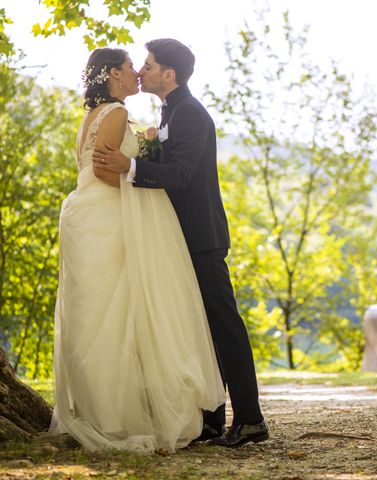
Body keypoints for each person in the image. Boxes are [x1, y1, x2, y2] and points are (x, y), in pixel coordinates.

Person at [93, 39, 268, 448]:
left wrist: (131, 166)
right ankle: (209, 420)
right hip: (175, 239)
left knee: (224, 327)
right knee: (197, 330)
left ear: (167, 75)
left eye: (149, 65)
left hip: (201, 238)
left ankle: (251, 420)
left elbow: (184, 174)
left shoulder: (189, 113)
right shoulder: (168, 111)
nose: (142, 70)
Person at [50, 47, 226, 453]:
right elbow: (102, 172)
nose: (137, 73)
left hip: (93, 218)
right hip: (110, 221)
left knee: (107, 317)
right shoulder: (113, 114)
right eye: (132, 67)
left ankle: (109, 411)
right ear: (114, 74)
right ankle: (121, 415)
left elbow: (106, 167)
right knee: (122, 313)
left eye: (143, 67)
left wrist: (140, 153)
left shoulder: (98, 115)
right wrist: (140, 181)